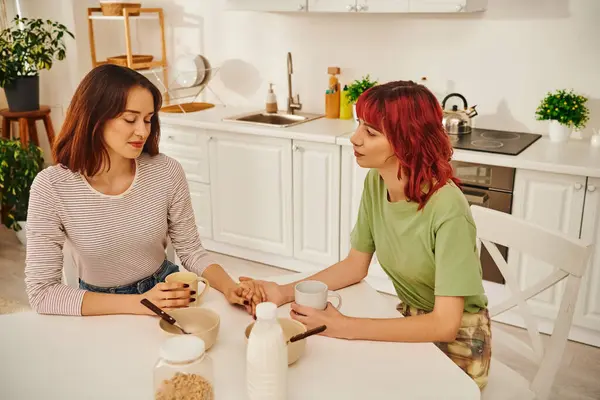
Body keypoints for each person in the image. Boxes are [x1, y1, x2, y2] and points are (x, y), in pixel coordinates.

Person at [240, 80, 491, 389]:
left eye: (371, 133)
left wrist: (344, 326)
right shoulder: (378, 182)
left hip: (459, 347)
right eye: (359, 125)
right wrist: (282, 291)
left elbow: (445, 324)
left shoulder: (447, 209)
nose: (355, 138)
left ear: (407, 142)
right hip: (410, 322)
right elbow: (355, 265)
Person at [24, 64, 262, 317]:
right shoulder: (51, 187)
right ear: (95, 116)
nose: (143, 131)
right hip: (101, 308)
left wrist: (229, 287)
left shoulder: (166, 172)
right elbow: (42, 293)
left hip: (169, 293)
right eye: (130, 119)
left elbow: (191, 250)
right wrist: (142, 303)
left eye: (148, 120)